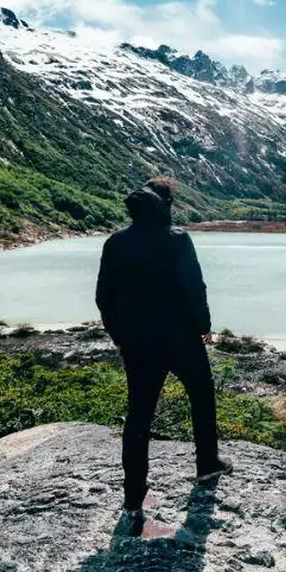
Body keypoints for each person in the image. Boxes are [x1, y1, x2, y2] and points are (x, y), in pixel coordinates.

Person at [96, 177, 232, 532]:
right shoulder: (177, 239)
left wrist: (118, 336)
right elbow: (193, 285)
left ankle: (133, 497)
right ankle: (206, 464)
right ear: (165, 207)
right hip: (181, 339)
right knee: (201, 396)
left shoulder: (115, 243)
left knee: (139, 417)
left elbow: (103, 297)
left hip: (138, 344)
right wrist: (204, 324)